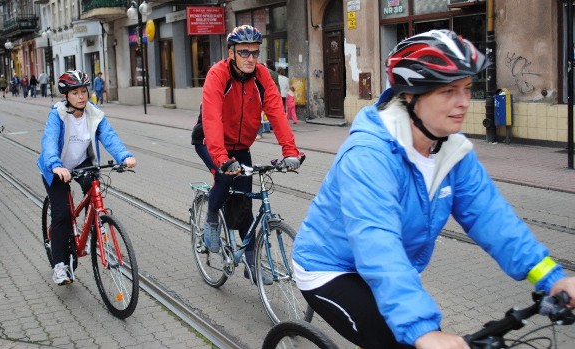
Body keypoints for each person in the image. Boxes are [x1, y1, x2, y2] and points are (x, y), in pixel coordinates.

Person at [291, 29, 575, 349]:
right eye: (448, 92)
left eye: (468, 89)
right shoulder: (369, 156)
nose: (464, 103)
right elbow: (377, 243)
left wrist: (551, 278)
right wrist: (421, 328)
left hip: (389, 271)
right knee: (407, 339)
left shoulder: (452, 152)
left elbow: (493, 220)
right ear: (411, 97)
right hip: (331, 269)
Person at [200, 25, 303, 284]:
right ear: (232, 53)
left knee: (245, 204)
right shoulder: (218, 75)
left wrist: (290, 151)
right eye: (244, 52)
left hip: (241, 146)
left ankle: (251, 263)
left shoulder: (261, 76)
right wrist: (222, 159)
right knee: (224, 180)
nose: (250, 58)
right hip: (209, 142)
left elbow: (276, 113)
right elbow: (211, 119)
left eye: (255, 53)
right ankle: (211, 221)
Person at [37, 70, 136, 285]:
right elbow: (49, 143)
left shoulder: (94, 113)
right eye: (75, 92)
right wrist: (55, 165)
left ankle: (92, 228)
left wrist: (124, 156)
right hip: (57, 167)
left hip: (83, 163)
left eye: (83, 91)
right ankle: (60, 265)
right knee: (62, 215)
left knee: (95, 190)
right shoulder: (57, 115)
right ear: (66, 96)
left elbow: (109, 137)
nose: (81, 96)